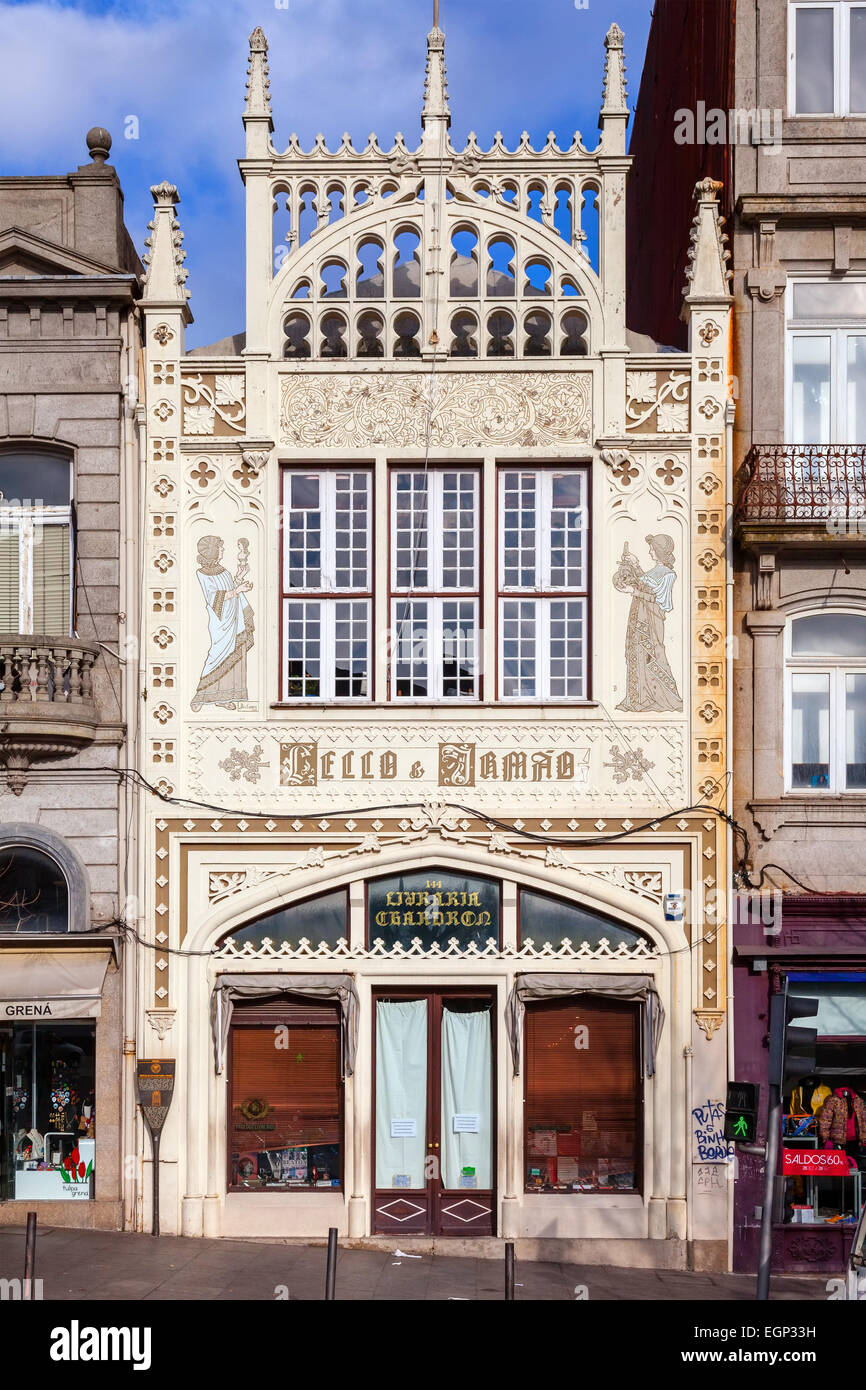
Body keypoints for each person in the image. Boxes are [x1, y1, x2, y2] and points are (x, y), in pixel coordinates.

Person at [613, 534, 682, 713]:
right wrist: (634, 565)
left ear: (660, 551)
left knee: (653, 655)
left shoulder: (668, 575)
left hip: (651, 622)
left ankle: (664, 697)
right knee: (636, 654)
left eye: (653, 548)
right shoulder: (653, 572)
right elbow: (643, 582)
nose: (650, 551)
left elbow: (657, 600)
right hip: (638, 618)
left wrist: (633, 591)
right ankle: (638, 698)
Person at [191, 535, 254, 711]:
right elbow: (215, 598)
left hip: (234, 619)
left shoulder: (224, 571)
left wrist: (239, 579)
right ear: (212, 551)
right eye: (220, 547)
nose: (223, 550)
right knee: (217, 656)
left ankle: (224, 697)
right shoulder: (202, 574)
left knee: (234, 656)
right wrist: (237, 590)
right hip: (221, 622)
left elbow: (229, 588)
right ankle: (200, 696)